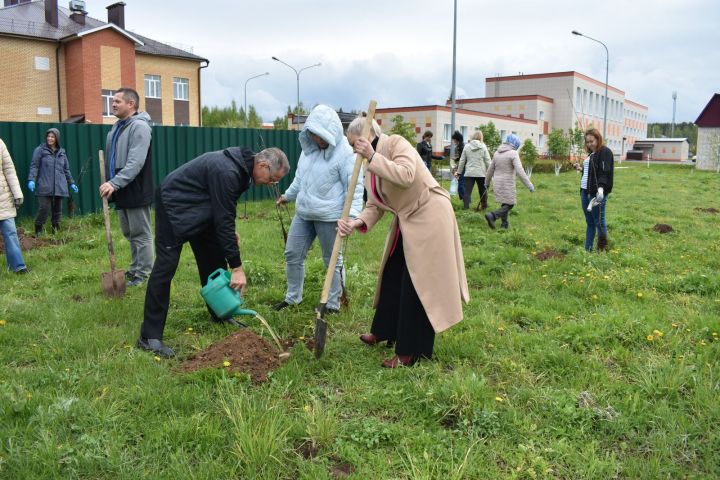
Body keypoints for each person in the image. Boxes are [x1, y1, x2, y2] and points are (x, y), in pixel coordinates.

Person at [338, 115, 469, 368]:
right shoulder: (367, 164)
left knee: (418, 282)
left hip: (430, 214)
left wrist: (374, 158)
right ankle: (385, 329)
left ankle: (411, 351)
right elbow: (374, 204)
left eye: (355, 144)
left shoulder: (396, 144)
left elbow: (407, 175)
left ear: (367, 137)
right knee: (393, 271)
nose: (354, 149)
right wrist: (357, 221)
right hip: (407, 220)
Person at [137, 146, 290, 357]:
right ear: (263, 165)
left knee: (214, 259)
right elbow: (223, 213)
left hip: (202, 208)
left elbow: (225, 208)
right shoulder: (229, 171)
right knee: (166, 267)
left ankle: (220, 313)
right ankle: (149, 336)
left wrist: (228, 229)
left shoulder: (244, 169)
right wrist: (237, 268)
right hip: (174, 204)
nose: (271, 184)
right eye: (272, 178)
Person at [273, 105, 363, 313]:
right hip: (304, 213)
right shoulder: (308, 152)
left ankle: (332, 304)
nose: (317, 139)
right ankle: (292, 298)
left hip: (330, 216)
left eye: (320, 135)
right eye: (313, 134)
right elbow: (300, 180)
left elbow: (354, 187)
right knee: (292, 254)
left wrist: (351, 217)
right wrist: (287, 196)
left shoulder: (345, 154)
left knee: (331, 260)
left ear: (331, 132)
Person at [99, 87, 154, 287]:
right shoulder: (117, 128)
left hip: (135, 186)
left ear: (131, 104)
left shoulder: (139, 127)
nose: (112, 104)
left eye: (117, 101)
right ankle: (135, 268)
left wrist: (114, 183)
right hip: (121, 186)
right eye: (112, 101)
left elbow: (135, 163)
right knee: (129, 232)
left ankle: (144, 273)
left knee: (141, 233)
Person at [27, 128, 77, 235]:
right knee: (44, 208)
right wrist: (31, 180)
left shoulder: (62, 152)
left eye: (52, 137)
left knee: (58, 209)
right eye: (48, 136)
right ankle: (38, 228)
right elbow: (34, 166)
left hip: (59, 185)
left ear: (57, 138)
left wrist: (71, 183)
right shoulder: (40, 150)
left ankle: (55, 228)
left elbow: (66, 169)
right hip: (45, 184)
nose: (50, 138)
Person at [484, 134, 534, 229]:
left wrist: (486, 183)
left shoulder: (496, 153)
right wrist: (529, 185)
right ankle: (493, 215)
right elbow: (520, 171)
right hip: (507, 182)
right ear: (515, 144)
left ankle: (504, 224)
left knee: (505, 202)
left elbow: (490, 170)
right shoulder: (513, 153)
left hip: (497, 182)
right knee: (510, 203)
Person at [578, 127, 614, 251]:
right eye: (587, 142)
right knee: (590, 222)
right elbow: (592, 172)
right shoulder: (591, 154)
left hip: (597, 193)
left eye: (591, 141)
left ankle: (602, 250)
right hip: (584, 191)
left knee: (599, 222)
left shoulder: (605, 152)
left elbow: (604, 172)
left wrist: (601, 189)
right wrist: (581, 169)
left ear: (598, 139)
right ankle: (587, 250)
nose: (589, 144)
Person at [0, 138, 29, 273]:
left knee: (10, 232)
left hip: (3, 198)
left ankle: (18, 266)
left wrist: (17, 193)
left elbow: (9, 169)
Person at [455, 131, 491, 210]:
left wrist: (459, 172)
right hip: (481, 173)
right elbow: (487, 160)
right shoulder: (483, 146)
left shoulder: (467, 146)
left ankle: (466, 208)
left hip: (469, 172)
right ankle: (484, 206)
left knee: (467, 191)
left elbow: (462, 160)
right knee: (482, 190)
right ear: (481, 137)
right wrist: (491, 172)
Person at [449, 130, 465, 200]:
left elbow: (463, 159)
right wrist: (455, 159)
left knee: (461, 183)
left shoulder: (463, 147)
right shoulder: (458, 147)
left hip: (463, 167)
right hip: (461, 167)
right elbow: (460, 158)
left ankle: (464, 199)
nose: (453, 141)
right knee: (461, 182)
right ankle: (463, 198)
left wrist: (457, 168)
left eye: (454, 140)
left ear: (457, 139)